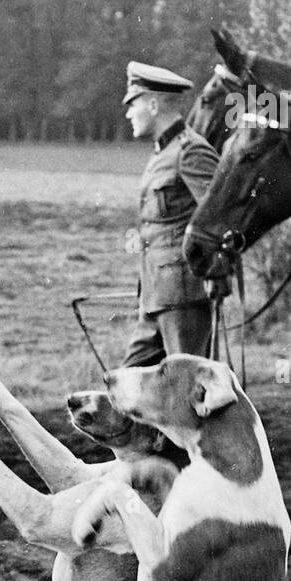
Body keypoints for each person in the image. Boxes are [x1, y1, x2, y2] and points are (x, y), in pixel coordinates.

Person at [122, 61, 221, 368]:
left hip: (184, 296)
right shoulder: (161, 154)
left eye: (132, 104)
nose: (127, 114)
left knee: (186, 387)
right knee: (129, 388)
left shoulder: (191, 151)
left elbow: (218, 218)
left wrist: (217, 272)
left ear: (153, 105)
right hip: (155, 294)